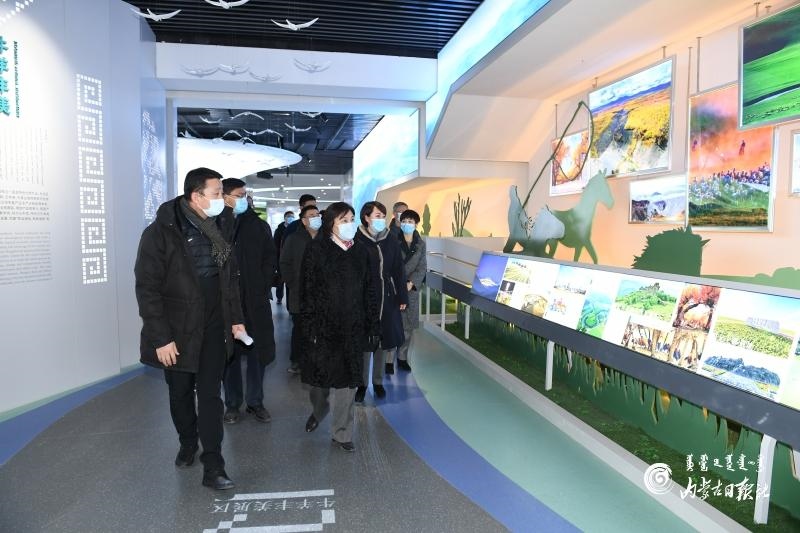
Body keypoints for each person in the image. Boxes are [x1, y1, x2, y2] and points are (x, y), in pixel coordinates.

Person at [134, 167, 246, 490]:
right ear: (196, 197)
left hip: (214, 326)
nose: (222, 199)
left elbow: (229, 280)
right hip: (177, 330)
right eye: (216, 193)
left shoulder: (221, 225)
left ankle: (213, 465)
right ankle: (187, 440)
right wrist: (161, 338)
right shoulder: (160, 232)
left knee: (210, 395)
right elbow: (147, 289)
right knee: (180, 393)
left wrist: (235, 318)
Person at [299, 202, 379, 452]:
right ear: (331, 224)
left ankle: (342, 433)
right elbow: (307, 289)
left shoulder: (362, 251)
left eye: (352, 219)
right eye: (344, 220)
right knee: (320, 381)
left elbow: (370, 289)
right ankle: (319, 408)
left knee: (348, 381)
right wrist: (309, 324)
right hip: (323, 326)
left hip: (353, 326)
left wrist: (372, 324)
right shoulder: (316, 249)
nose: (349, 224)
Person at [221, 178, 277, 424]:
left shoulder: (258, 225)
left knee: (257, 353)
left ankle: (255, 402)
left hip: (254, 301)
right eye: (239, 195)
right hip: (227, 303)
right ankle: (232, 404)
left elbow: (270, 259)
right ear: (225, 197)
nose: (244, 199)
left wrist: (262, 285)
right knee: (229, 356)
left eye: (245, 194)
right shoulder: (216, 224)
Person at [354, 201, 408, 400]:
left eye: (383, 216)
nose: (381, 219)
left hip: (387, 297)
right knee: (364, 343)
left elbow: (398, 270)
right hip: (363, 298)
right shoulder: (356, 240)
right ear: (366, 217)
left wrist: (402, 295)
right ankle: (361, 384)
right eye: (377, 216)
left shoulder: (390, 239)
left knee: (381, 342)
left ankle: (377, 382)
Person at [280, 204, 321, 374]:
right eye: (312, 215)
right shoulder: (294, 239)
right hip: (299, 292)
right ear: (304, 221)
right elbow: (284, 263)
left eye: (317, 214)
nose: (316, 218)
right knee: (300, 329)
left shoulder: (326, 238)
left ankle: (316, 361)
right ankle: (297, 360)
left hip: (322, 294)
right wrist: (292, 283)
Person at [390, 209, 427, 372]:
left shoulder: (421, 244)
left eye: (410, 222)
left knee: (408, 326)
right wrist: (399, 283)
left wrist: (411, 283)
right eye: (404, 221)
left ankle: (402, 357)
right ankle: (388, 360)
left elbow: (422, 266)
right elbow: (389, 264)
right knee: (392, 324)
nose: (407, 224)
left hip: (411, 290)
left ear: (416, 224)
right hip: (394, 288)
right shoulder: (392, 240)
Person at [272, 210, 295, 304]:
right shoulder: (279, 230)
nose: (291, 218)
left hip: (291, 259)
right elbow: (275, 245)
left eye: (292, 216)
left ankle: (289, 301)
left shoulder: (295, 229)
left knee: (290, 281)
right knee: (280, 281)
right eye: (289, 216)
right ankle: (279, 297)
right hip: (280, 258)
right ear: (285, 218)